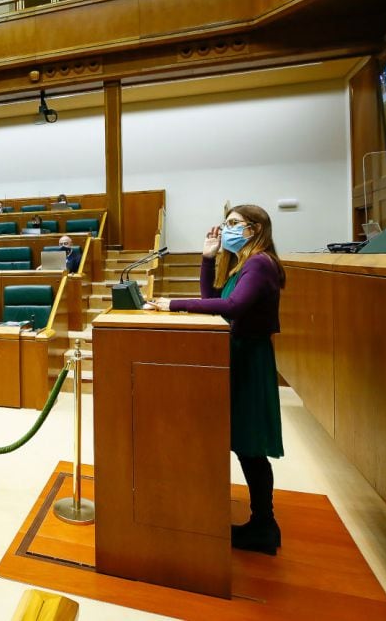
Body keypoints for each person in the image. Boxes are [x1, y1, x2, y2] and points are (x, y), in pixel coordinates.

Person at [147, 204, 286, 556]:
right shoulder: (244, 263)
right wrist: (208, 259)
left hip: (249, 359)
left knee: (250, 443)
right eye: (226, 223)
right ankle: (262, 523)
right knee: (243, 442)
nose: (226, 229)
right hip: (237, 355)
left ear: (254, 229)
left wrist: (172, 304)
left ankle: (264, 525)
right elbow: (213, 301)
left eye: (234, 223)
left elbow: (234, 308)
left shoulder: (259, 263)